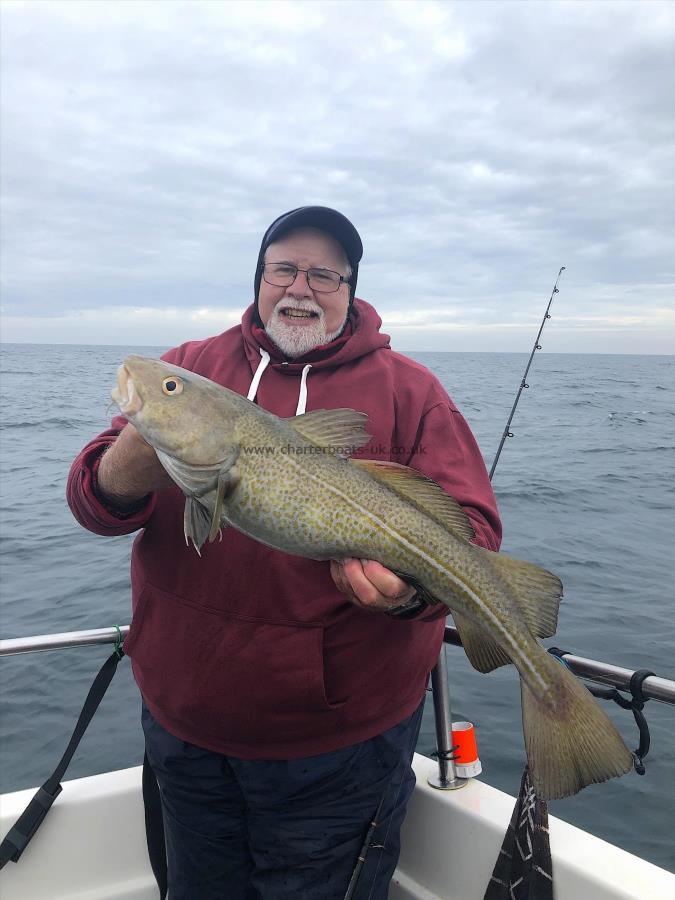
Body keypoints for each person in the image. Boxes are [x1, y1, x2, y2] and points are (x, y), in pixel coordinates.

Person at [67, 206, 501, 899]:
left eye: (325, 274)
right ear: (260, 279)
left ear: (351, 289)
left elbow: (473, 535)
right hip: (184, 730)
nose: (301, 287)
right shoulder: (187, 369)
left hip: (336, 751)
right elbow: (94, 504)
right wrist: (138, 450)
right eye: (284, 269)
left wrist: (411, 594)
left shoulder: (412, 392)